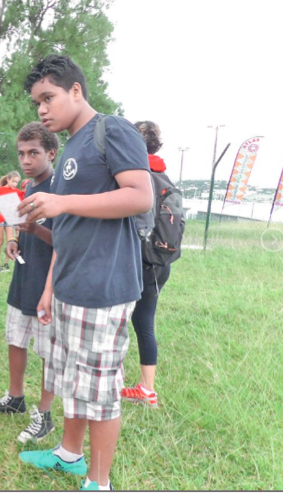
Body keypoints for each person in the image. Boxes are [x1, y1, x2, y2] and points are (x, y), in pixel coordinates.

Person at [17, 55, 152, 491]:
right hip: (68, 286)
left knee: (100, 391)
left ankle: (99, 481)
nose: (42, 109)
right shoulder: (72, 145)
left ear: (76, 90)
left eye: (48, 98)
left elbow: (140, 196)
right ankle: (69, 454)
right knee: (70, 379)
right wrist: (40, 240)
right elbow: (69, 229)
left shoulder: (112, 130)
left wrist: (62, 202)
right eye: (37, 102)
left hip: (103, 288)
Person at [0, 122, 58, 444]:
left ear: (51, 153)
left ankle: (45, 414)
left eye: (34, 153)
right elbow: (24, 227)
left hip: (48, 284)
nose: (26, 160)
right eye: (21, 153)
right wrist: (15, 240)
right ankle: (15, 398)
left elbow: (66, 242)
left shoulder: (61, 188)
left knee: (47, 351)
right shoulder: (27, 187)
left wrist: (36, 230)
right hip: (24, 277)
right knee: (16, 339)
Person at [120, 120, 171, 407]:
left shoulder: (137, 178)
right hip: (161, 262)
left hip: (136, 259)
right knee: (144, 322)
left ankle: (113, 382)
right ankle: (147, 390)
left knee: (117, 320)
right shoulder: (165, 177)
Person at [0, 171, 23, 272]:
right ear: (8, 179)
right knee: (0, 240)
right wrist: (2, 212)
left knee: (10, 241)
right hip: (0, 218)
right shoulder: (0, 190)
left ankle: (6, 263)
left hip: (10, 219)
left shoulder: (17, 191)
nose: (15, 184)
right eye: (13, 181)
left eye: (17, 182)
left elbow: (25, 195)